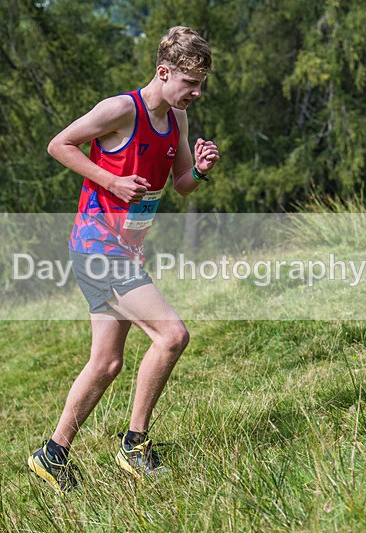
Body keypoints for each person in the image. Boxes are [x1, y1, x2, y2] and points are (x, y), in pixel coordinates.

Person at [27, 26, 219, 494]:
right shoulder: (120, 110)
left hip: (125, 250)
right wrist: (110, 181)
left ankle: (53, 454)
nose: (196, 93)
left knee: (106, 363)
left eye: (200, 84)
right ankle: (134, 445)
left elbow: (180, 185)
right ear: (163, 72)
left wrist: (199, 171)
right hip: (97, 247)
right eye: (190, 83)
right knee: (171, 336)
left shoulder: (177, 119)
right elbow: (58, 144)